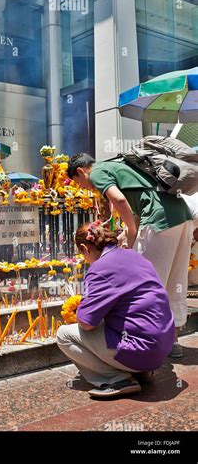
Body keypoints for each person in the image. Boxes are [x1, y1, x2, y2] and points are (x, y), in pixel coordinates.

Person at [67, 153, 193, 358]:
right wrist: (130, 228)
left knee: (149, 282)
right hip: (182, 217)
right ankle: (173, 341)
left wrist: (132, 232)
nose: (84, 188)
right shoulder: (119, 164)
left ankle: (148, 342)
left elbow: (119, 199)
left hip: (159, 220)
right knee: (174, 282)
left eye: (80, 183)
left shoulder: (98, 172)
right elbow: (139, 203)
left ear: (81, 171)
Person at [56, 221, 175, 399]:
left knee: (63, 334)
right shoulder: (135, 256)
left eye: (82, 254)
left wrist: (81, 305)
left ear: (84, 248)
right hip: (164, 345)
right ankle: (140, 372)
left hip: (142, 349)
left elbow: (87, 322)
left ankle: (115, 379)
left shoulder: (99, 268)